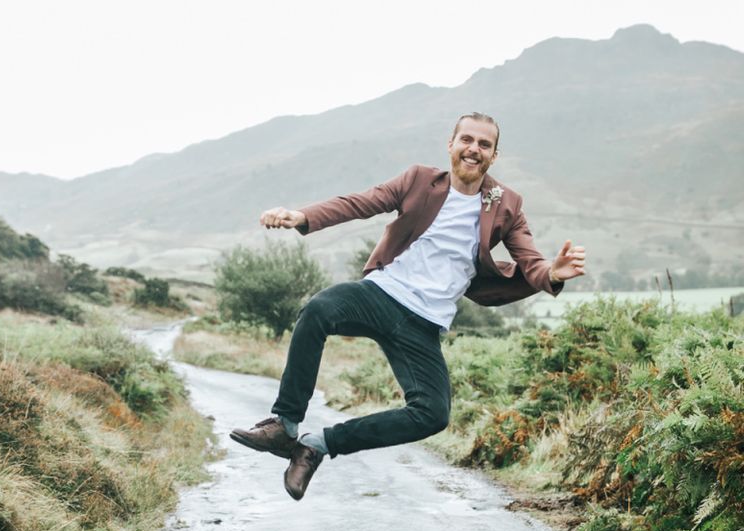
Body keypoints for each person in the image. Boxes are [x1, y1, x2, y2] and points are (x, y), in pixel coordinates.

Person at [230, 112, 586, 501]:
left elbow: (530, 260)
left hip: (425, 322)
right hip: (382, 294)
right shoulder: (419, 180)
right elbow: (361, 203)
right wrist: (303, 216)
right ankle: (285, 423)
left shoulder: (506, 205)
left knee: (433, 414)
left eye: (484, 145)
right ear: (450, 145)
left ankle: (317, 446)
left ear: (494, 156)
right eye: (466, 140)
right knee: (319, 309)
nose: (473, 149)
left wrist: (553, 272)